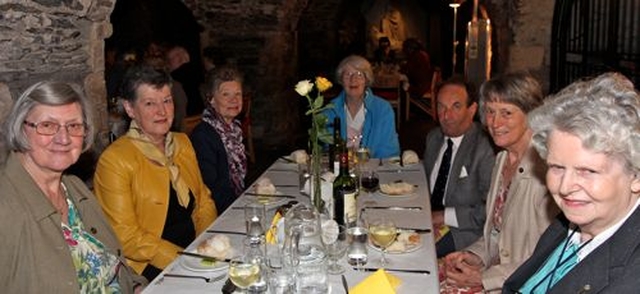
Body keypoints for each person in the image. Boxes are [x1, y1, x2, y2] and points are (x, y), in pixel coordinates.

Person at [0, 81, 146, 292]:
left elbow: (109, 261)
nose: (63, 138)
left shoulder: (74, 187)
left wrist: (135, 286)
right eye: (47, 125)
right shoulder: (6, 206)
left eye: (74, 126)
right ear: (21, 128)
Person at [503, 73, 640, 293]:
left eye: (587, 171)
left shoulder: (632, 276)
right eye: (556, 167)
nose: (565, 187)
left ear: (636, 176)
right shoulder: (569, 225)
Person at [93, 64, 217, 281]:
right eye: (150, 103)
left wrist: (205, 246)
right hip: (148, 268)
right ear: (130, 109)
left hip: (193, 253)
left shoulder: (182, 143)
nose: (162, 111)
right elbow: (127, 237)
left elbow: (203, 201)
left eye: (167, 101)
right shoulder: (115, 161)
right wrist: (184, 259)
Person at [441, 72, 559, 293]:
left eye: (506, 113)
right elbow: (497, 234)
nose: (495, 123)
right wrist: (474, 255)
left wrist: (484, 278)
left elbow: (548, 257)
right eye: (490, 112)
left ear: (531, 114)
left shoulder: (546, 173)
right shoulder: (502, 160)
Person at [423, 76, 496, 258]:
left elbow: (490, 209)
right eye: (441, 106)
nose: (446, 116)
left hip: (464, 229)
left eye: (456, 107)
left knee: (419, 254)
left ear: (472, 110)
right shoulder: (433, 138)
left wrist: (441, 216)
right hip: (427, 218)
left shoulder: (485, 147)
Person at [190, 66, 247, 213]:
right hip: (218, 212)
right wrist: (241, 209)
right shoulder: (203, 136)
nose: (234, 100)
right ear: (212, 100)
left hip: (235, 202)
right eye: (226, 94)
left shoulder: (235, 130)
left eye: (238, 94)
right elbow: (211, 189)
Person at [323, 54, 400, 158]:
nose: (353, 79)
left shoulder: (383, 109)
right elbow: (325, 151)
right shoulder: (329, 110)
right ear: (341, 80)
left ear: (366, 80)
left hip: (373, 170)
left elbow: (389, 152)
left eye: (359, 74)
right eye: (348, 74)